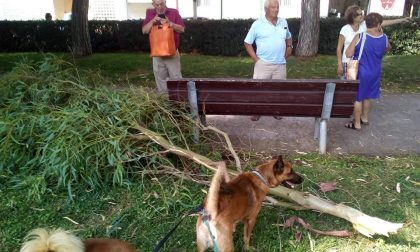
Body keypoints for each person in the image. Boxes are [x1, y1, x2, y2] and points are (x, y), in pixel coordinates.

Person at [244, 0, 293, 121]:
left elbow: (288, 36)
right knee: (259, 89)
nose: (276, 9)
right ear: (266, 9)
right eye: (273, 7)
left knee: (278, 90)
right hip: (263, 64)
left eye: (277, 7)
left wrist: (289, 47)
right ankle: (257, 111)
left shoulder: (283, 22)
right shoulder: (257, 24)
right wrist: (256, 60)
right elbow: (247, 43)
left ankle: (276, 110)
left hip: (280, 64)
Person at [344, 12, 391, 131]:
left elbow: (348, 54)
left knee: (358, 98)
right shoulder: (384, 37)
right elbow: (388, 48)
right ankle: (365, 117)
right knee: (368, 96)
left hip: (361, 71)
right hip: (375, 71)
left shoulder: (360, 36)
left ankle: (357, 123)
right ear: (379, 24)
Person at [336, 5, 408, 79]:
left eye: (362, 13)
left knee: (360, 85)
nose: (362, 15)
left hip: (362, 63)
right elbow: (339, 48)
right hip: (348, 62)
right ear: (353, 17)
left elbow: (383, 23)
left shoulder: (365, 25)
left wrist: (401, 20)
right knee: (349, 86)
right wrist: (339, 64)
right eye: (359, 14)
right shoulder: (345, 29)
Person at [142, 0, 185, 93]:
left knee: (176, 78)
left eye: (162, 4)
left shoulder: (173, 12)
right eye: (157, 5)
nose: (160, 7)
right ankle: (164, 102)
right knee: (160, 80)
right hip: (157, 54)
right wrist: (152, 21)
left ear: (165, 2)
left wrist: (171, 23)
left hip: (172, 53)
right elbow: (144, 31)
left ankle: (179, 100)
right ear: (153, 4)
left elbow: (182, 29)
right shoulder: (150, 13)